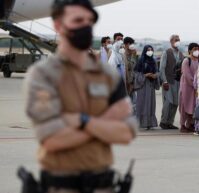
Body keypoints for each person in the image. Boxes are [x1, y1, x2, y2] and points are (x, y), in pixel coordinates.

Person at [24, 1, 137, 193]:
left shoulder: (107, 76)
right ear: (58, 25)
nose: (86, 26)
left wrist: (81, 121)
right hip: (61, 185)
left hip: (103, 186)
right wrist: (106, 120)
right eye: (78, 20)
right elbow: (51, 138)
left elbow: (127, 132)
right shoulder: (43, 75)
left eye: (89, 21)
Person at [159, 34, 184, 130]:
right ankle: (163, 121)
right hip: (168, 81)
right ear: (171, 41)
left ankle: (170, 122)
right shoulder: (166, 52)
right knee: (168, 102)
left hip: (177, 82)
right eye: (176, 40)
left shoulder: (181, 54)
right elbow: (162, 68)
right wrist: (164, 81)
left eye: (178, 39)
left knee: (175, 103)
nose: (177, 41)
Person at [134, 45, 160, 130]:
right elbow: (137, 74)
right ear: (145, 51)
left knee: (151, 104)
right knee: (142, 103)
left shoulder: (153, 61)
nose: (150, 51)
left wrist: (155, 76)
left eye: (151, 50)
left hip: (151, 85)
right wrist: (145, 75)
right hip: (143, 85)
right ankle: (141, 123)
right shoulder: (140, 61)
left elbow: (157, 72)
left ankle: (149, 123)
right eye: (148, 50)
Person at [179, 43, 199, 133]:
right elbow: (187, 75)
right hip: (186, 87)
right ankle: (183, 125)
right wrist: (195, 84)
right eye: (195, 49)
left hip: (195, 88)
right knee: (184, 106)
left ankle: (190, 124)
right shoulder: (186, 61)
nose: (196, 51)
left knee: (193, 106)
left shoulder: (198, 61)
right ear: (190, 50)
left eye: (197, 49)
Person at [124, 37, 139, 109]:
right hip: (127, 83)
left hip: (132, 82)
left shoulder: (132, 54)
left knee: (134, 104)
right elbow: (130, 66)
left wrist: (134, 55)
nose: (132, 45)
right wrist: (133, 56)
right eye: (131, 44)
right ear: (127, 44)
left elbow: (135, 68)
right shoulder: (124, 55)